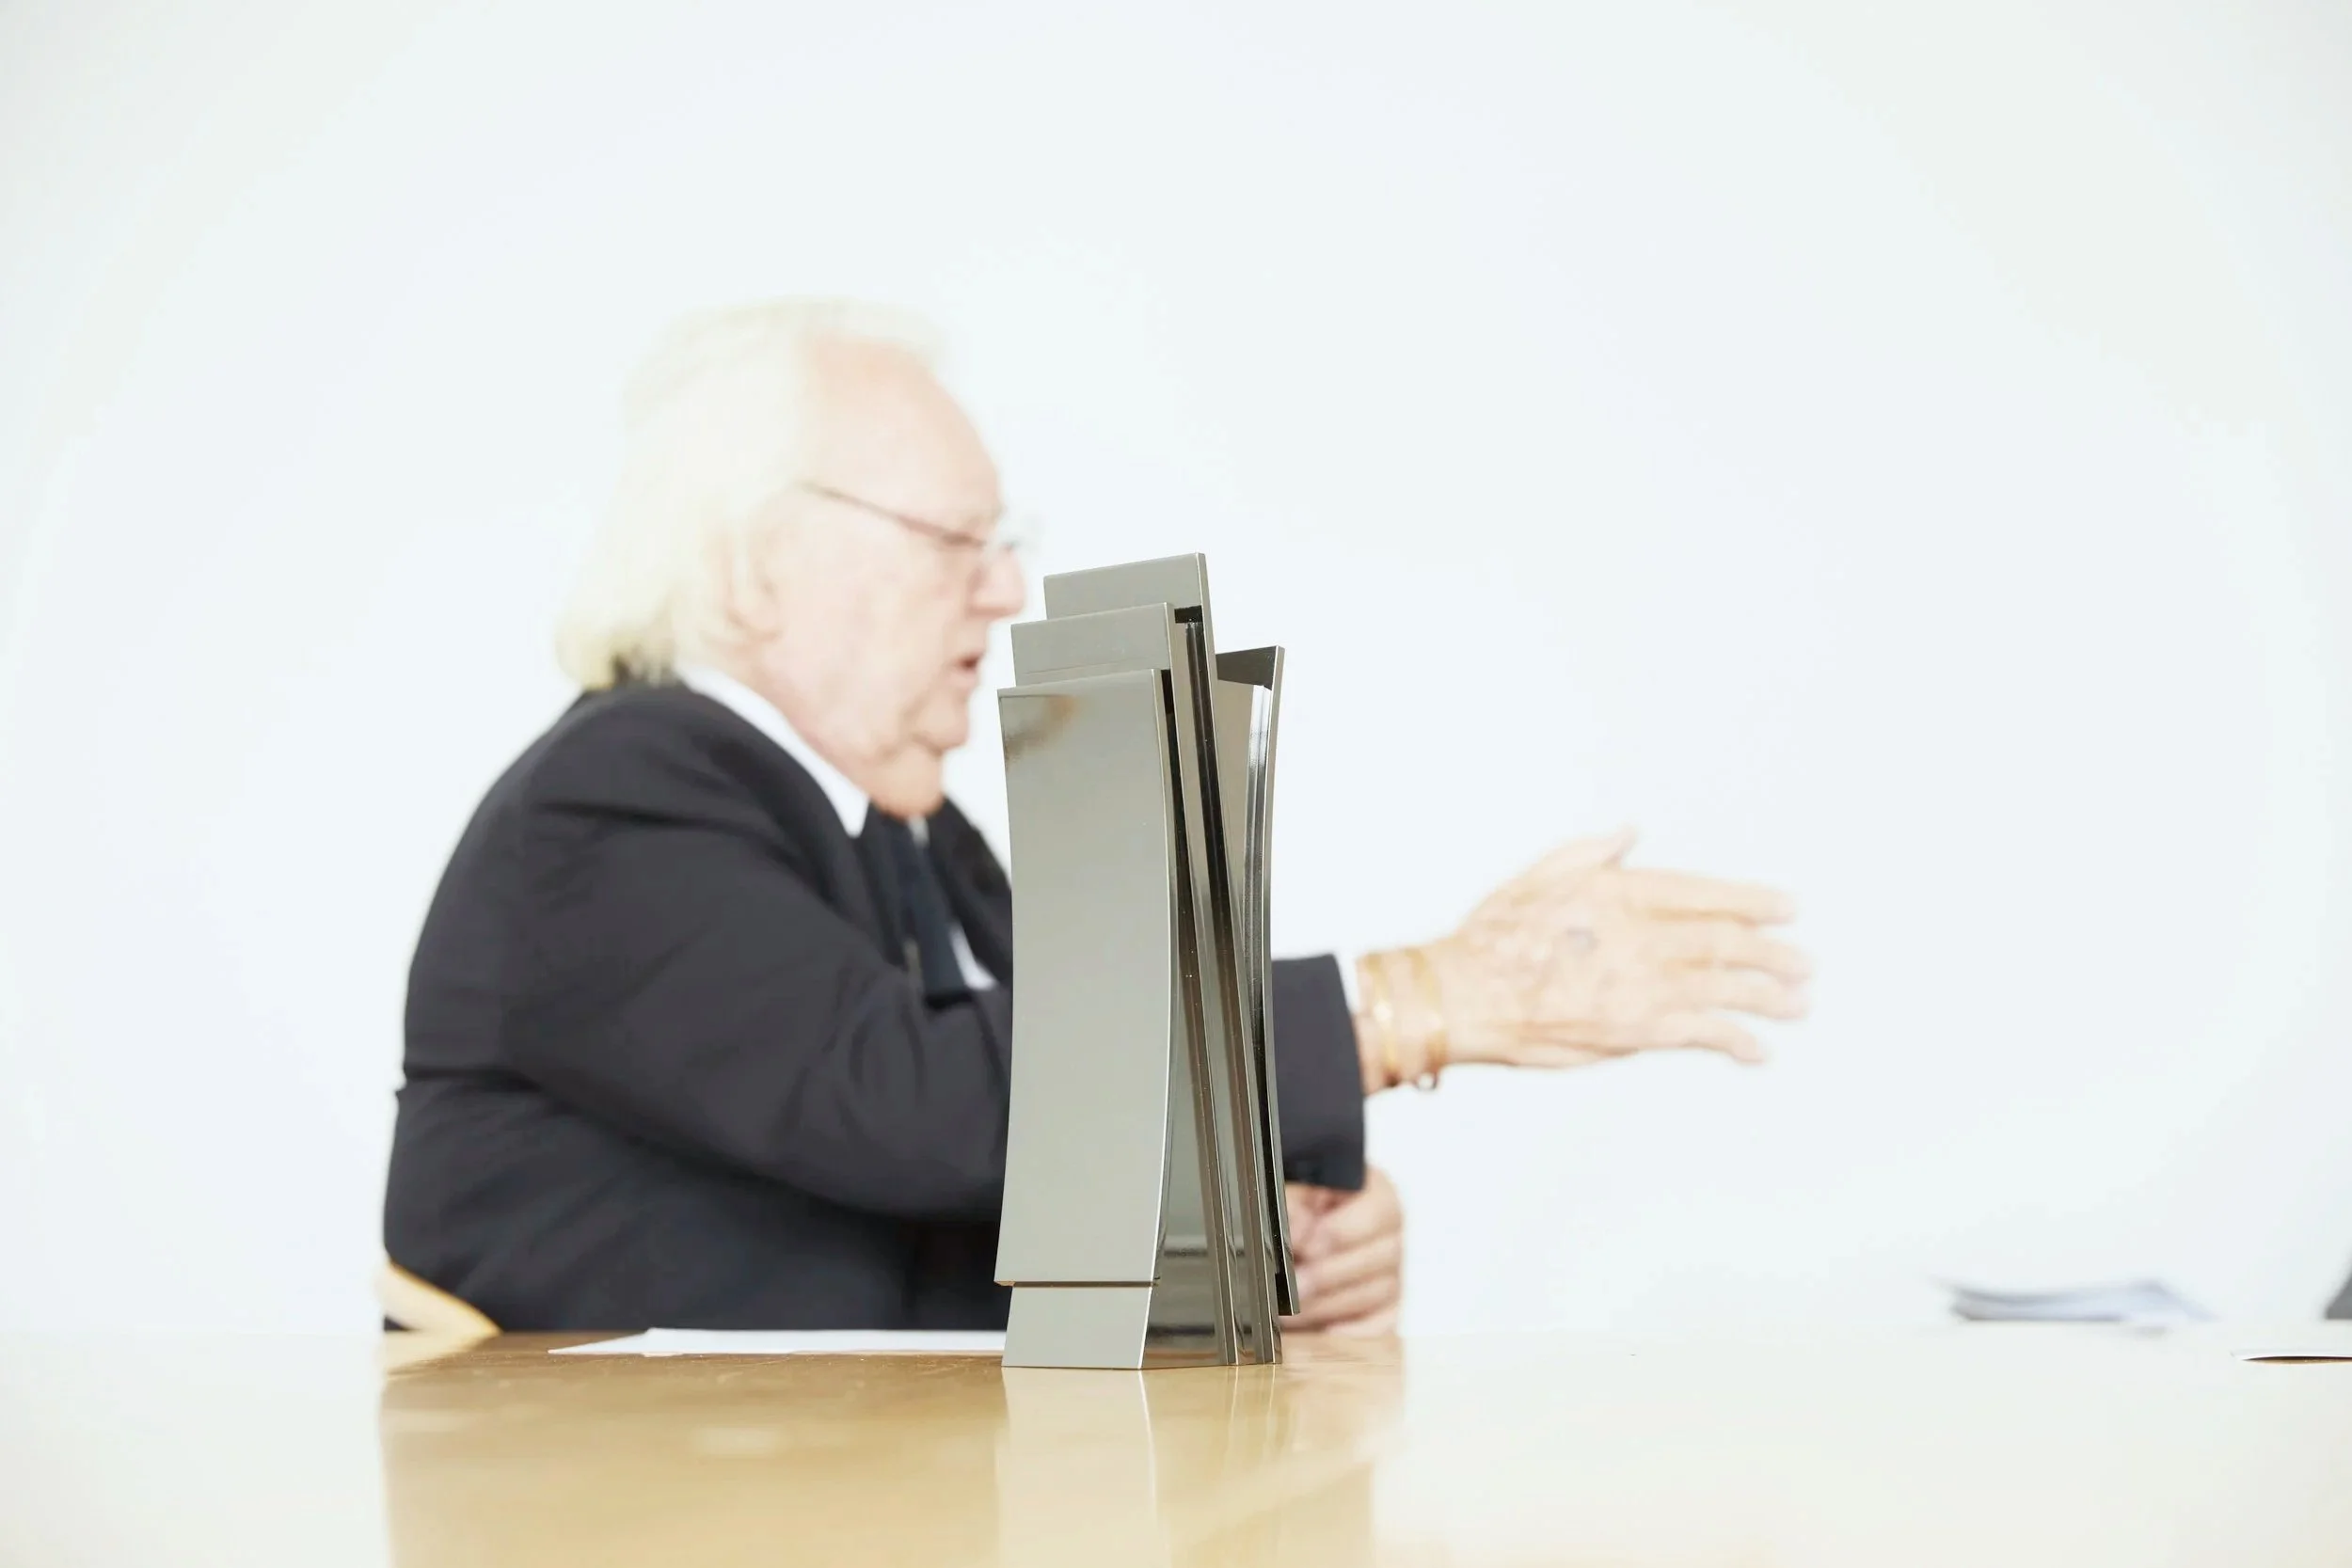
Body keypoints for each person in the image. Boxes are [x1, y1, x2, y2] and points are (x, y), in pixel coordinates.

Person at [384, 300, 1811, 1334]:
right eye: (960, 543)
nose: (1005, 593)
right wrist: (1411, 1003)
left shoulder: (910, 834)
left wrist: (1273, 1236)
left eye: (1007, 550)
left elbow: (1029, 1161)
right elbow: (917, 1101)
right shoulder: (620, 799)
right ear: (761, 566)